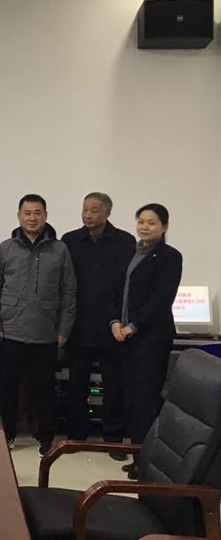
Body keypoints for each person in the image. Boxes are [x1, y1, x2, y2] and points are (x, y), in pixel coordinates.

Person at [0, 194, 76, 455]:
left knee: (44, 389)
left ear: (45, 216)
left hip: (45, 332)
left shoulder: (60, 250)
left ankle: (45, 437)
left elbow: (69, 292)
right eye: (27, 213)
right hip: (9, 331)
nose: (32, 218)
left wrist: (64, 329)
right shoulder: (5, 248)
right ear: (19, 216)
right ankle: (6, 435)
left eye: (37, 213)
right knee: (6, 388)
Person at [111, 203, 182, 479]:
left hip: (151, 338)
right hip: (125, 337)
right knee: (130, 397)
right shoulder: (130, 252)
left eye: (151, 222)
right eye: (141, 221)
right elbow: (116, 291)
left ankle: (146, 462)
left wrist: (134, 326)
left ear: (164, 227)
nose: (145, 226)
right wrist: (115, 322)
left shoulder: (169, 256)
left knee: (147, 400)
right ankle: (137, 456)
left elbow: (161, 299)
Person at [61, 192, 135, 456]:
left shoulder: (125, 241)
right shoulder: (70, 240)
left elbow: (127, 285)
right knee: (76, 383)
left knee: (114, 385)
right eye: (85, 209)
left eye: (94, 210)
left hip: (113, 325)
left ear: (107, 213)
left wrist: (122, 320)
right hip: (79, 324)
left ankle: (113, 438)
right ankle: (76, 435)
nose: (88, 215)